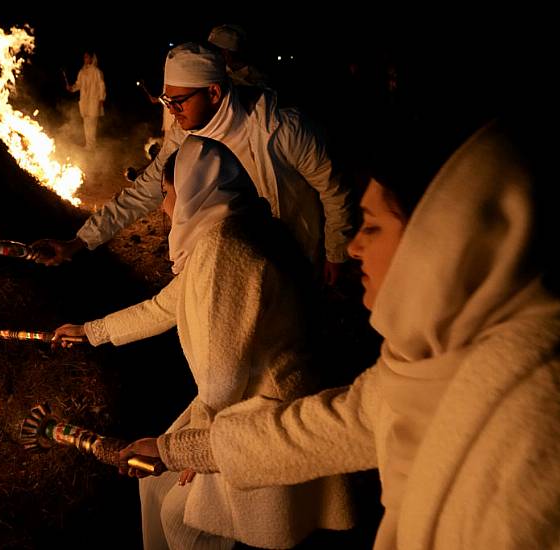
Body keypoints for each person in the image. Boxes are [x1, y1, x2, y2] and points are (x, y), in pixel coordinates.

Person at [120, 118, 560, 549]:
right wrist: (178, 450)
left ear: (442, 241)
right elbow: (329, 425)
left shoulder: (530, 427)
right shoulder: (422, 366)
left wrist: (183, 445)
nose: (353, 247)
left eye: (372, 226)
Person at [53, 136, 355, 549]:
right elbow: (163, 307)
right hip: (239, 405)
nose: (163, 208)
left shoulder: (223, 251)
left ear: (194, 189)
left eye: (166, 194)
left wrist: (189, 450)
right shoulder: (226, 232)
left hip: (261, 414)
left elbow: (222, 374)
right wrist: (91, 331)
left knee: (184, 521)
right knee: (162, 498)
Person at [32, 43, 353, 287]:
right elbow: (142, 193)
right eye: (166, 101)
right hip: (236, 266)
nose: (170, 110)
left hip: (293, 258)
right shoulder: (181, 136)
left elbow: (333, 189)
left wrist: (336, 253)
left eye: (178, 101)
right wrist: (78, 242)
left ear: (213, 92)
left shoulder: (280, 127)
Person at [207, 24, 269, 88]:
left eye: (213, 50)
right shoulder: (220, 70)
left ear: (226, 52)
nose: (208, 53)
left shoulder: (255, 78)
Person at [66, 50, 106, 150]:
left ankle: (92, 145)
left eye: (87, 57)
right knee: (86, 124)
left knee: (92, 124)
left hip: (94, 101)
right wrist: (72, 88)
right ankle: (88, 145)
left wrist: (101, 99)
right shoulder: (82, 72)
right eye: (84, 57)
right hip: (85, 102)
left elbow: (102, 86)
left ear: (92, 58)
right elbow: (78, 84)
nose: (85, 59)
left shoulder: (97, 72)